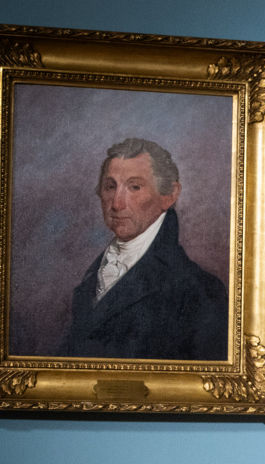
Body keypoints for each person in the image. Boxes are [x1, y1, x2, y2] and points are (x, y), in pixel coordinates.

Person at [61, 138, 227, 360]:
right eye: (110, 187)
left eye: (134, 187)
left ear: (169, 195)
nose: (117, 204)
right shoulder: (93, 277)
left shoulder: (201, 291)